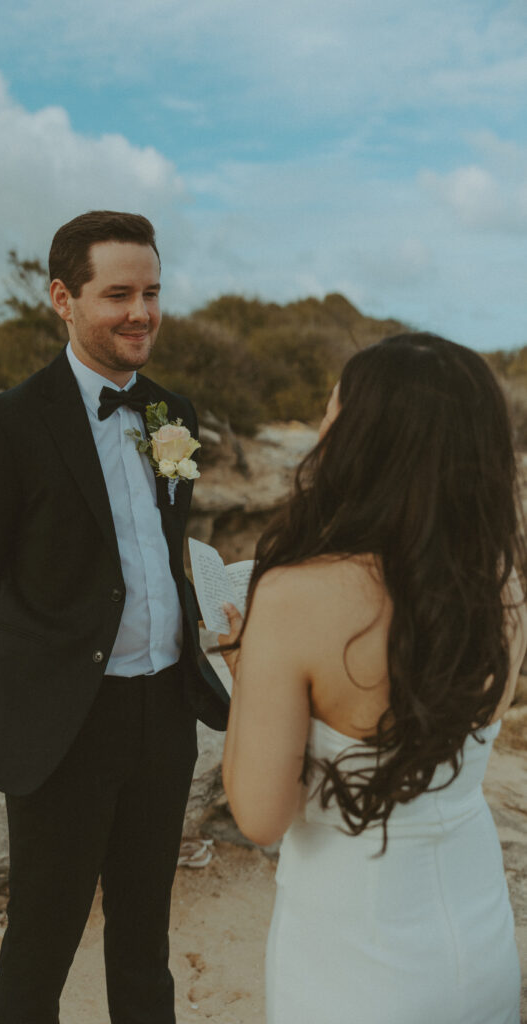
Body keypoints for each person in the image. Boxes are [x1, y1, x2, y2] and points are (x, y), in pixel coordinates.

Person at [0, 210, 229, 1024]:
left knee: (144, 940)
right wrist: (45, 666)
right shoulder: (4, 424)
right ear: (64, 298)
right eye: (119, 294)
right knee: (42, 936)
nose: (142, 312)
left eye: (152, 292)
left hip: (165, 713)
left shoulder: (176, 416)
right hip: (68, 723)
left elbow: (168, 542)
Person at [219, 333, 524, 1024]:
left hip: (355, 956)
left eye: (333, 413)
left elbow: (260, 817)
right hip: (476, 935)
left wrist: (248, 677)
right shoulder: (501, 588)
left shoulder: (297, 596)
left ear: (361, 438)